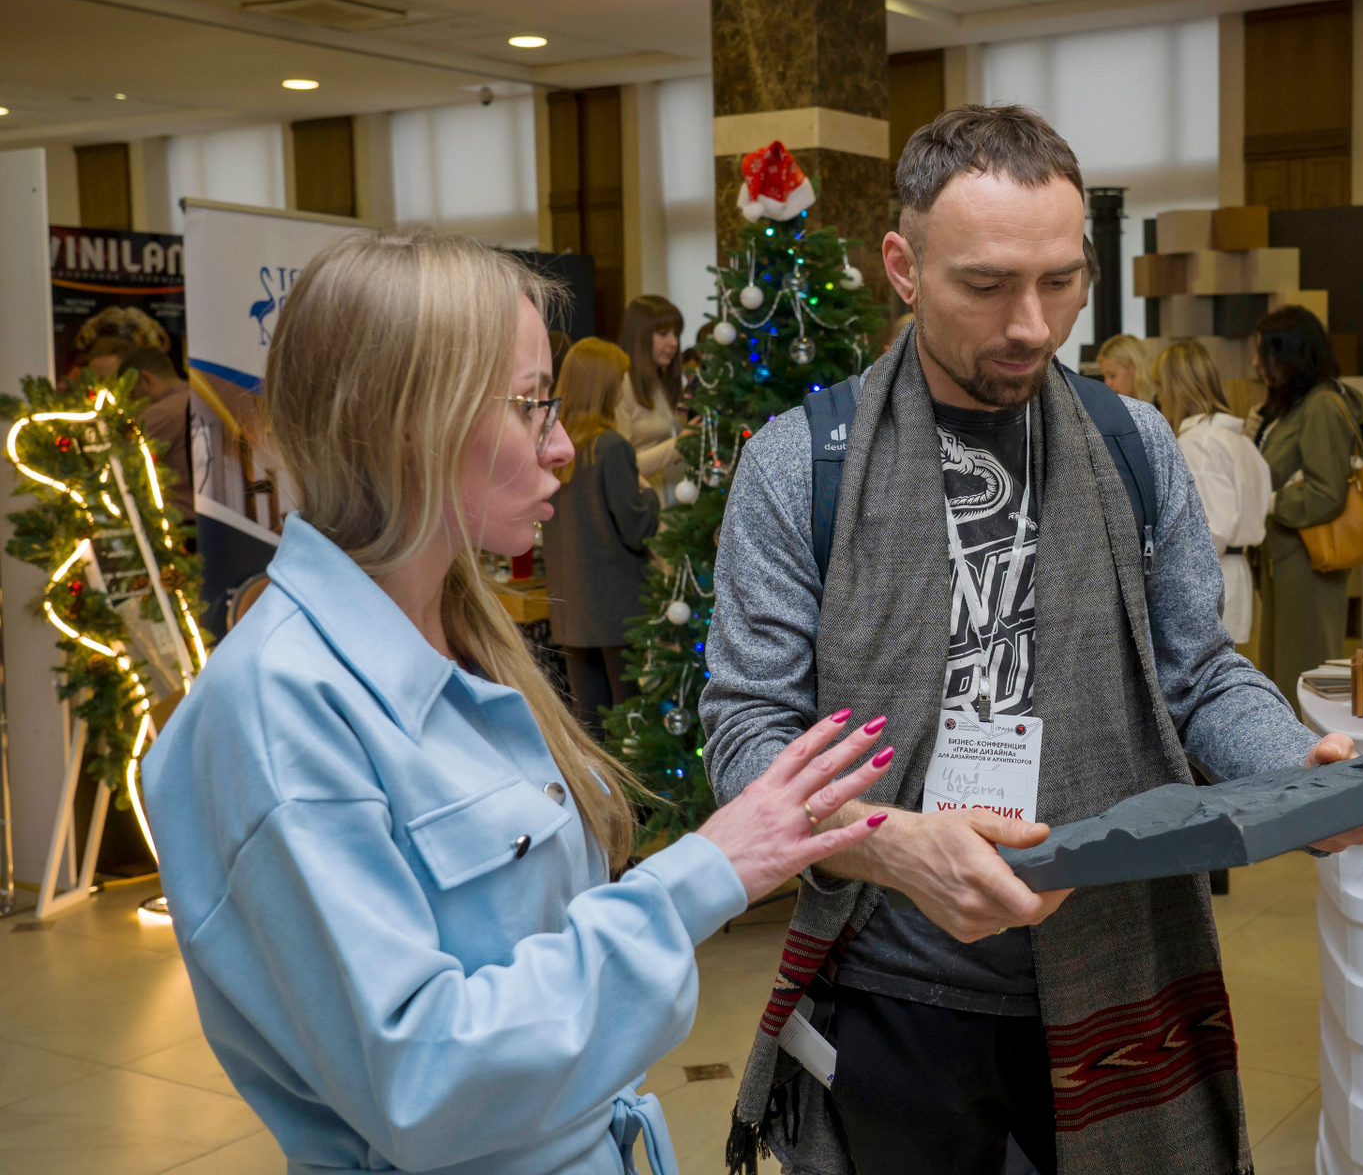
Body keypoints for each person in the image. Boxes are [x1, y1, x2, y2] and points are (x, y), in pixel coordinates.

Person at [703, 105, 1363, 1175]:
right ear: (903, 266)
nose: (1031, 324)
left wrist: (1296, 773)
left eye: (1061, 282)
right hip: (893, 989)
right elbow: (748, 735)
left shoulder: (1131, 443)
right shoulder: (801, 466)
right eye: (986, 285)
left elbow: (1197, 672)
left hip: (1119, 969)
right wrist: (889, 842)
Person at [142, 229, 899, 1175]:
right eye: (532, 406)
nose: (561, 446)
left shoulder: (466, 635)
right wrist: (705, 874)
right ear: (410, 421)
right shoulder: (279, 709)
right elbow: (425, 1080)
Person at [1245, 306, 1363, 704]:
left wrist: (1270, 501)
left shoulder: (1322, 406)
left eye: (1265, 354)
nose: (1256, 364)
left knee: (1303, 677)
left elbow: (1325, 493)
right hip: (1286, 561)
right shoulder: (1294, 406)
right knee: (1284, 674)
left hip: (1307, 565)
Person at [546, 337, 662, 730]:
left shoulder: (556, 450)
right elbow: (636, 530)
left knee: (589, 723)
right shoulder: (611, 447)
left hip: (572, 609)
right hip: (620, 609)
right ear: (605, 386)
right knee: (630, 724)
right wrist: (650, 497)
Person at [1151, 339, 1271, 645]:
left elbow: (1212, 529)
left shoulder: (1198, 443)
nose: (1158, 397)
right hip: (1236, 573)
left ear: (1176, 389)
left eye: (1160, 386)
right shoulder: (1238, 441)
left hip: (1208, 578)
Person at [615, 295, 687, 490]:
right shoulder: (621, 384)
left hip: (675, 498)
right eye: (663, 334)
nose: (673, 343)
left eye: (676, 334)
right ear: (640, 336)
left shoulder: (665, 383)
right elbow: (620, 466)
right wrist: (680, 443)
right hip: (643, 499)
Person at [119, 346, 194, 517]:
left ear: (146, 380)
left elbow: (121, 457)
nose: (133, 403)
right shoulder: (199, 399)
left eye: (132, 394)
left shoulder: (160, 413)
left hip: (177, 516)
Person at [1095, 332, 1153, 402]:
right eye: (1104, 377)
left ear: (1134, 367)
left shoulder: (1158, 406)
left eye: (1112, 376)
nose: (1106, 384)